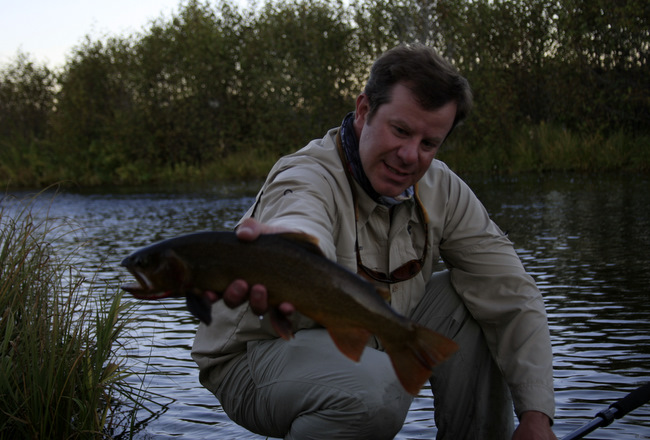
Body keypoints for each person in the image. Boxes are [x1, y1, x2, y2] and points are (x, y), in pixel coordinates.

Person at [192, 44, 557, 440]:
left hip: (365, 336)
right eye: (400, 130)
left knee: (473, 301)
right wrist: (290, 247)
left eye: (428, 143)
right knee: (374, 392)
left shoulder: (443, 188)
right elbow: (301, 215)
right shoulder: (307, 174)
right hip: (255, 356)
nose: (409, 156)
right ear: (364, 111)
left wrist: (537, 417)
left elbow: (512, 291)